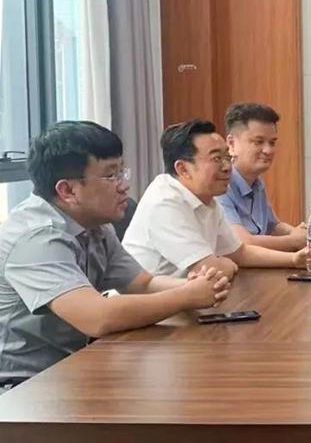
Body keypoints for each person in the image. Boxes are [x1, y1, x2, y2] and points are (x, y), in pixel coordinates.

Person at [0, 122, 230, 392]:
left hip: (73, 369)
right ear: (68, 190)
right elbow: (97, 317)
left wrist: (200, 286)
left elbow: (142, 283)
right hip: (21, 390)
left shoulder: (96, 225)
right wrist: (186, 296)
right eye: (111, 176)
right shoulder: (36, 239)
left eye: (122, 172)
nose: (124, 185)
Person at [122, 120, 311, 278]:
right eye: (216, 159)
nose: (227, 167)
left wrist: (294, 260)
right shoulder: (164, 203)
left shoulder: (207, 198)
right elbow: (211, 269)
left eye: (227, 157)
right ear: (183, 169)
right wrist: (225, 264)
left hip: (185, 300)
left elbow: (239, 253)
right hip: (148, 307)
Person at [217, 103, 306, 252]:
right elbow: (242, 243)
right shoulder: (220, 184)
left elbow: (273, 226)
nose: (268, 150)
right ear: (231, 144)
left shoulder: (256, 182)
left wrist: (299, 233)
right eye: (258, 142)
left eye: (272, 142)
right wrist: (293, 241)